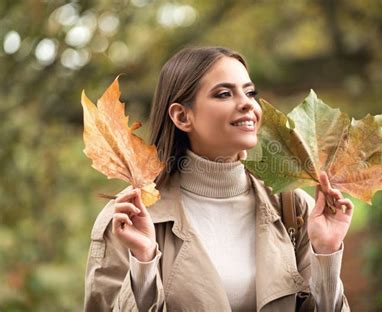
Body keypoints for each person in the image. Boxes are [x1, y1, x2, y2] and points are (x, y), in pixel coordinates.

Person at [84, 46, 354, 311]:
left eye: (250, 92)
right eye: (224, 94)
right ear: (181, 116)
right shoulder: (128, 218)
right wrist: (143, 264)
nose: (247, 103)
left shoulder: (293, 206)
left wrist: (327, 254)